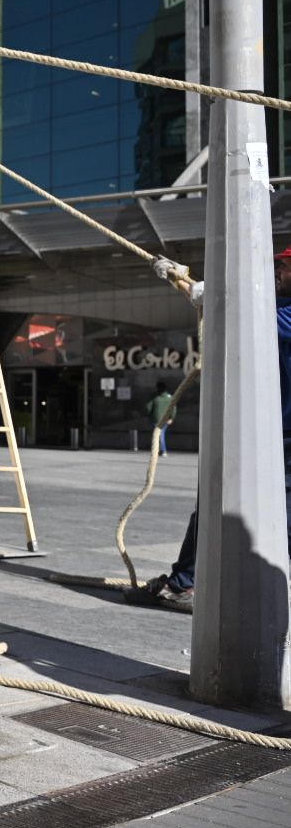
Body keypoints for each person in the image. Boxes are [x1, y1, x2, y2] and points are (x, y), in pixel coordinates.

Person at [130, 245, 291, 610]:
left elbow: (245, 313)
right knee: (215, 504)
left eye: (284, 266)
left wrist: (204, 291)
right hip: (261, 432)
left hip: (280, 438)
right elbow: (242, 308)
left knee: (266, 516)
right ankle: (185, 583)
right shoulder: (275, 309)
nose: (278, 271)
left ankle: (239, 591)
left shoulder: (278, 315)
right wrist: (185, 283)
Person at [146, 382, 175, 456]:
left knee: (159, 435)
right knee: (161, 434)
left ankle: (162, 450)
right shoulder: (169, 397)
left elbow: (148, 407)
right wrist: (171, 418)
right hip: (166, 419)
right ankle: (159, 450)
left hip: (156, 419)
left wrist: (149, 415)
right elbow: (174, 408)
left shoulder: (155, 397)